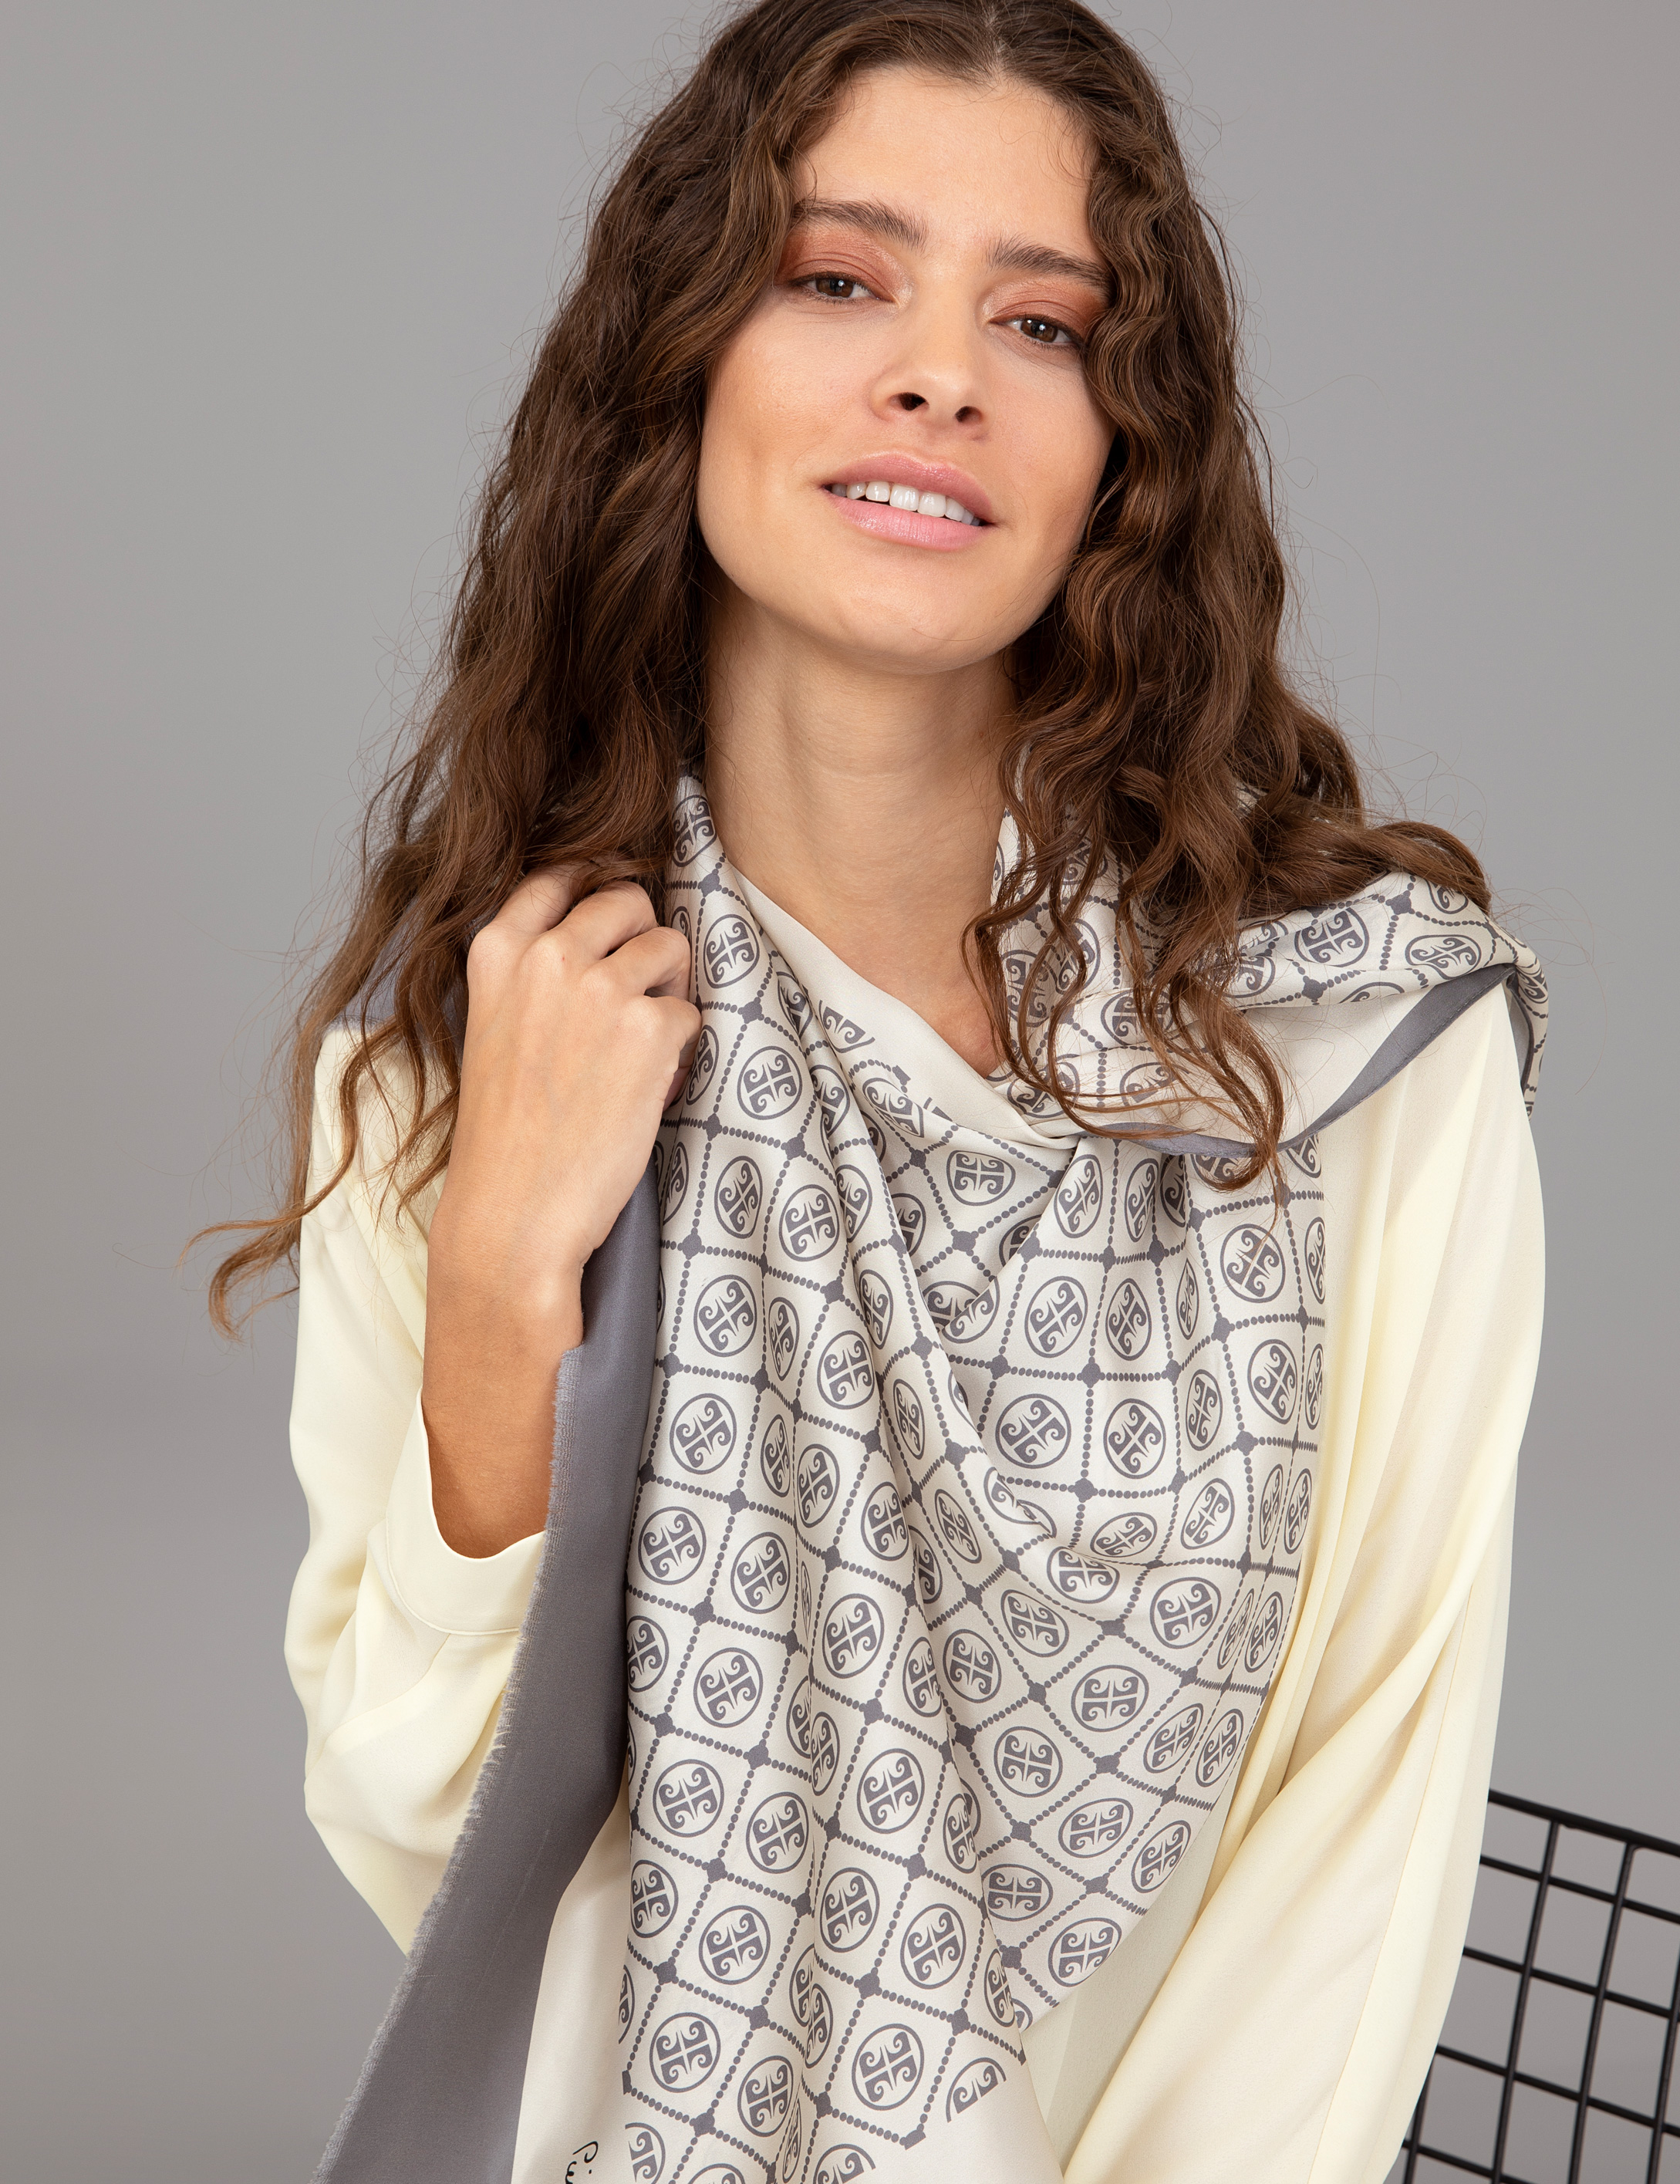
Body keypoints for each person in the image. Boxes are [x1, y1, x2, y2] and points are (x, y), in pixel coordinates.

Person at [209, 2, 1547, 2179]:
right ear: (682, 361)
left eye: (1042, 324)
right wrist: (506, 1273)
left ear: (1123, 449)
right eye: (838, 278)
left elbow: (1356, 1835)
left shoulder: (1352, 1051)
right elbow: (437, 1845)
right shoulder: (466, 1063)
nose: (938, 375)